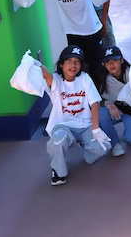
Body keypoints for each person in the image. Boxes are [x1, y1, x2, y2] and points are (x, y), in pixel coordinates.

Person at [40, 45, 111, 186]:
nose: (73, 65)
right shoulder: (56, 80)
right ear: (61, 64)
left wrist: (95, 129)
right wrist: (35, 63)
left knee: (102, 148)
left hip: (84, 126)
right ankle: (58, 171)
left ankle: (84, 146)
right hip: (63, 126)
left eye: (77, 61)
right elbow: (46, 74)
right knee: (57, 142)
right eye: (69, 61)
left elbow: (95, 102)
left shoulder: (84, 78)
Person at [96, 46, 131, 157]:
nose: (111, 64)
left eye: (115, 60)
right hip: (115, 110)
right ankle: (115, 143)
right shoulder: (103, 79)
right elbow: (97, 98)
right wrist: (108, 104)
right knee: (100, 114)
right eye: (107, 61)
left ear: (122, 60)